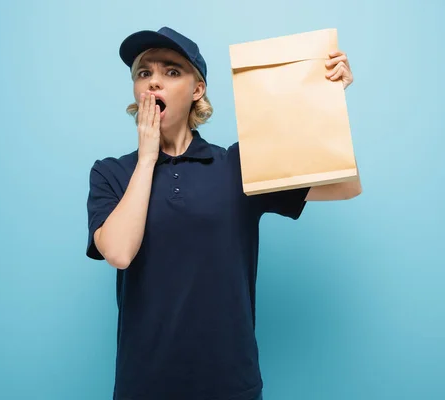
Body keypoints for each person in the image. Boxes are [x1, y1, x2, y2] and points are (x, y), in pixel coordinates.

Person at [85, 26, 362, 400]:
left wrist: (327, 100)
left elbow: (344, 186)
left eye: (171, 71)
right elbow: (118, 253)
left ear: (197, 89)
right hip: (144, 386)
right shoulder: (111, 173)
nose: (153, 83)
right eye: (143, 73)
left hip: (231, 385)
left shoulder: (238, 165)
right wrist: (148, 157)